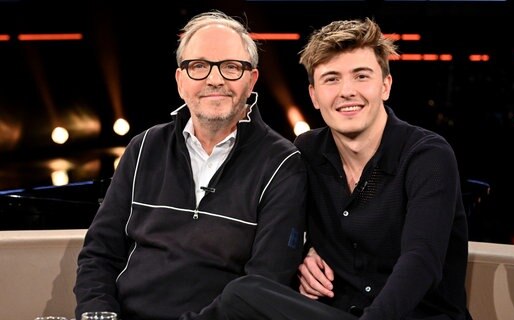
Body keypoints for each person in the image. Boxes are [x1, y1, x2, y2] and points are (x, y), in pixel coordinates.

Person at [216, 17, 472, 319]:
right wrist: (303, 253)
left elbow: (421, 260)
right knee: (244, 295)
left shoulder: (427, 155)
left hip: (416, 316)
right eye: (331, 79)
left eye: (361, 76)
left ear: (385, 86)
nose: (347, 91)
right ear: (314, 95)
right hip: (336, 312)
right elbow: (278, 229)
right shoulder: (305, 151)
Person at [73, 10, 307, 320]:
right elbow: (99, 254)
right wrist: (97, 313)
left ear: (252, 79)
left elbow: (262, 288)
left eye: (231, 67)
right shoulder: (143, 148)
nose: (214, 79)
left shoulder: (283, 164)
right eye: (198, 66)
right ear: (180, 80)